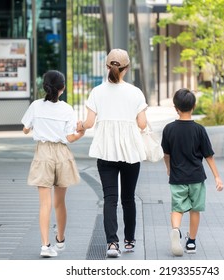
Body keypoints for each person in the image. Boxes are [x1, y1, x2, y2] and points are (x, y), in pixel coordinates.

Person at [77, 48, 147, 258]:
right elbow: (142, 124)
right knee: (128, 198)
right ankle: (129, 240)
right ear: (126, 69)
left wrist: (80, 125)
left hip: (106, 151)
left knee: (110, 198)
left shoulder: (97, 92)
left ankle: (112, 244)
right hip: (131, 153)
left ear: (108, 67)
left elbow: (88, 123)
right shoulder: (135, 92)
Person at [21, 70, 84, 258]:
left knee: (44, 204)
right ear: (62, 88)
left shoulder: (35, 106)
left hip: (43, 153)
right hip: (62, 154)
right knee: (59, 203)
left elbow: (25, 129)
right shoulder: (67, 109)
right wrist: (81, 133)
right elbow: (70, 138)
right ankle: (60, 239)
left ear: (45, 87)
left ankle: (45, 245)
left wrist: (34, 125)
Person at [161, 88, 224, 256]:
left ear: (175, 107)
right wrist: (217, 177)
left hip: (177, 177)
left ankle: (176, 230)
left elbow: (166, 154)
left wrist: (169, 168)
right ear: (194, 106)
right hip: (196, 177)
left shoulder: (168, 129)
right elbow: (208, 155)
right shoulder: (199, 130)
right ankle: (191, 243)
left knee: (177, 208)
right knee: (195, 210)